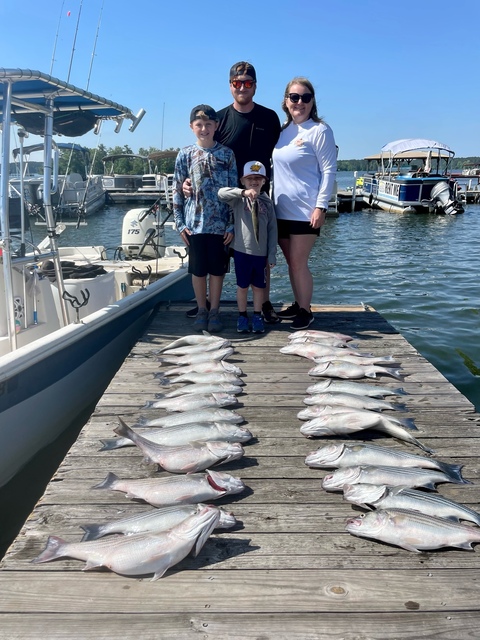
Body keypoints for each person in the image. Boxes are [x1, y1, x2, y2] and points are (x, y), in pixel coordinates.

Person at [185, 61, 281, 323]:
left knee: (259, 252)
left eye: (248, 83)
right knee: (224, 256)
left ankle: (263, 305)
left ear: (255, 86)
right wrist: (186, 182)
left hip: (259, 196)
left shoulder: (270, 117)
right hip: (226, 199)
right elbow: (203, 153)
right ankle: (208, 306)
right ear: (230, 86)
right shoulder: (221, 119)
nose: (242, 87)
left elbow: (281, 157)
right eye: (237, 83)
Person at [272, 77, 337, 331]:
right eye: (294, 97)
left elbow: (329, 171)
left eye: (305, 98)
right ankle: (299, 303)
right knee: (291, 263)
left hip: (305, 211)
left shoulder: (320, 131)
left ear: (312, 102)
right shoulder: (282, 132)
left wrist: (321, 206)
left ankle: (306, 311)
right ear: (286, 101)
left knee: (299, 263)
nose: (299, 102)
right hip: (281, 210)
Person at [173, 104, 237, 333]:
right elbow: (176, 190)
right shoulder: (185, 154)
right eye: (199, 125)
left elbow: (234, 192)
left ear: (216, 126)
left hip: (220, 225)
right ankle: (201, 308)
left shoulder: (227, 154)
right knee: (198, 271)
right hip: (194, 225)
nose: (204, 128)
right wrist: (179, 222)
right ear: (191, 127)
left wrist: (231, 223)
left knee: (218, 271)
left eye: (208, 124)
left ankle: (215, 310)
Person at [218, 161, 277, 334]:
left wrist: (272, 254)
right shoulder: (238, 200)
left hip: (261, 254)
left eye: (258, 178)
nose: (254, 181)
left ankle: (257, 315)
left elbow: (273, 230)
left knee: (259, 287)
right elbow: (221, 193)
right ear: (242, 181)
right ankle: (242, 315)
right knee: (242, 286)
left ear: (264, 181)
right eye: (250, 178)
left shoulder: (267, 203)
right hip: (242, 252)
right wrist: (243, 193)